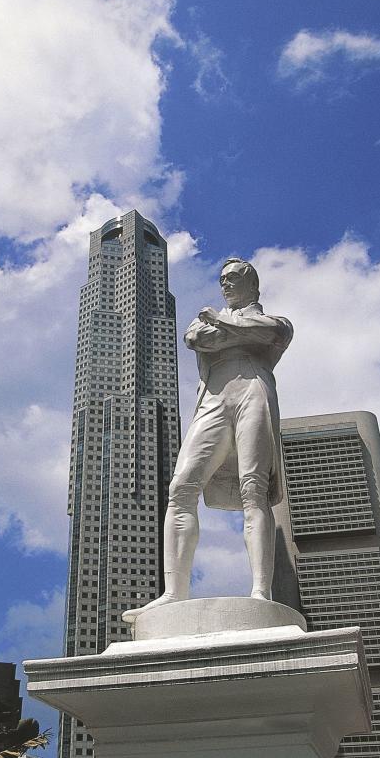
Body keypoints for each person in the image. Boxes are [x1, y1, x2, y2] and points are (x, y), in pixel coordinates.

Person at [123, 257, 292, 624]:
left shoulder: (274, 320)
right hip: (213, 398)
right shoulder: (207, 321)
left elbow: (272, 331)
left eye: (232, 278)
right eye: (222, 279)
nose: (225, 284)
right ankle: (173, 592)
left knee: (254, 489)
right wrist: (230, 329)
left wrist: (221, 322)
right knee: (181, 486)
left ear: (252, 284)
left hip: (254, 390)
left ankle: (261, 591)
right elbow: (195, 338)